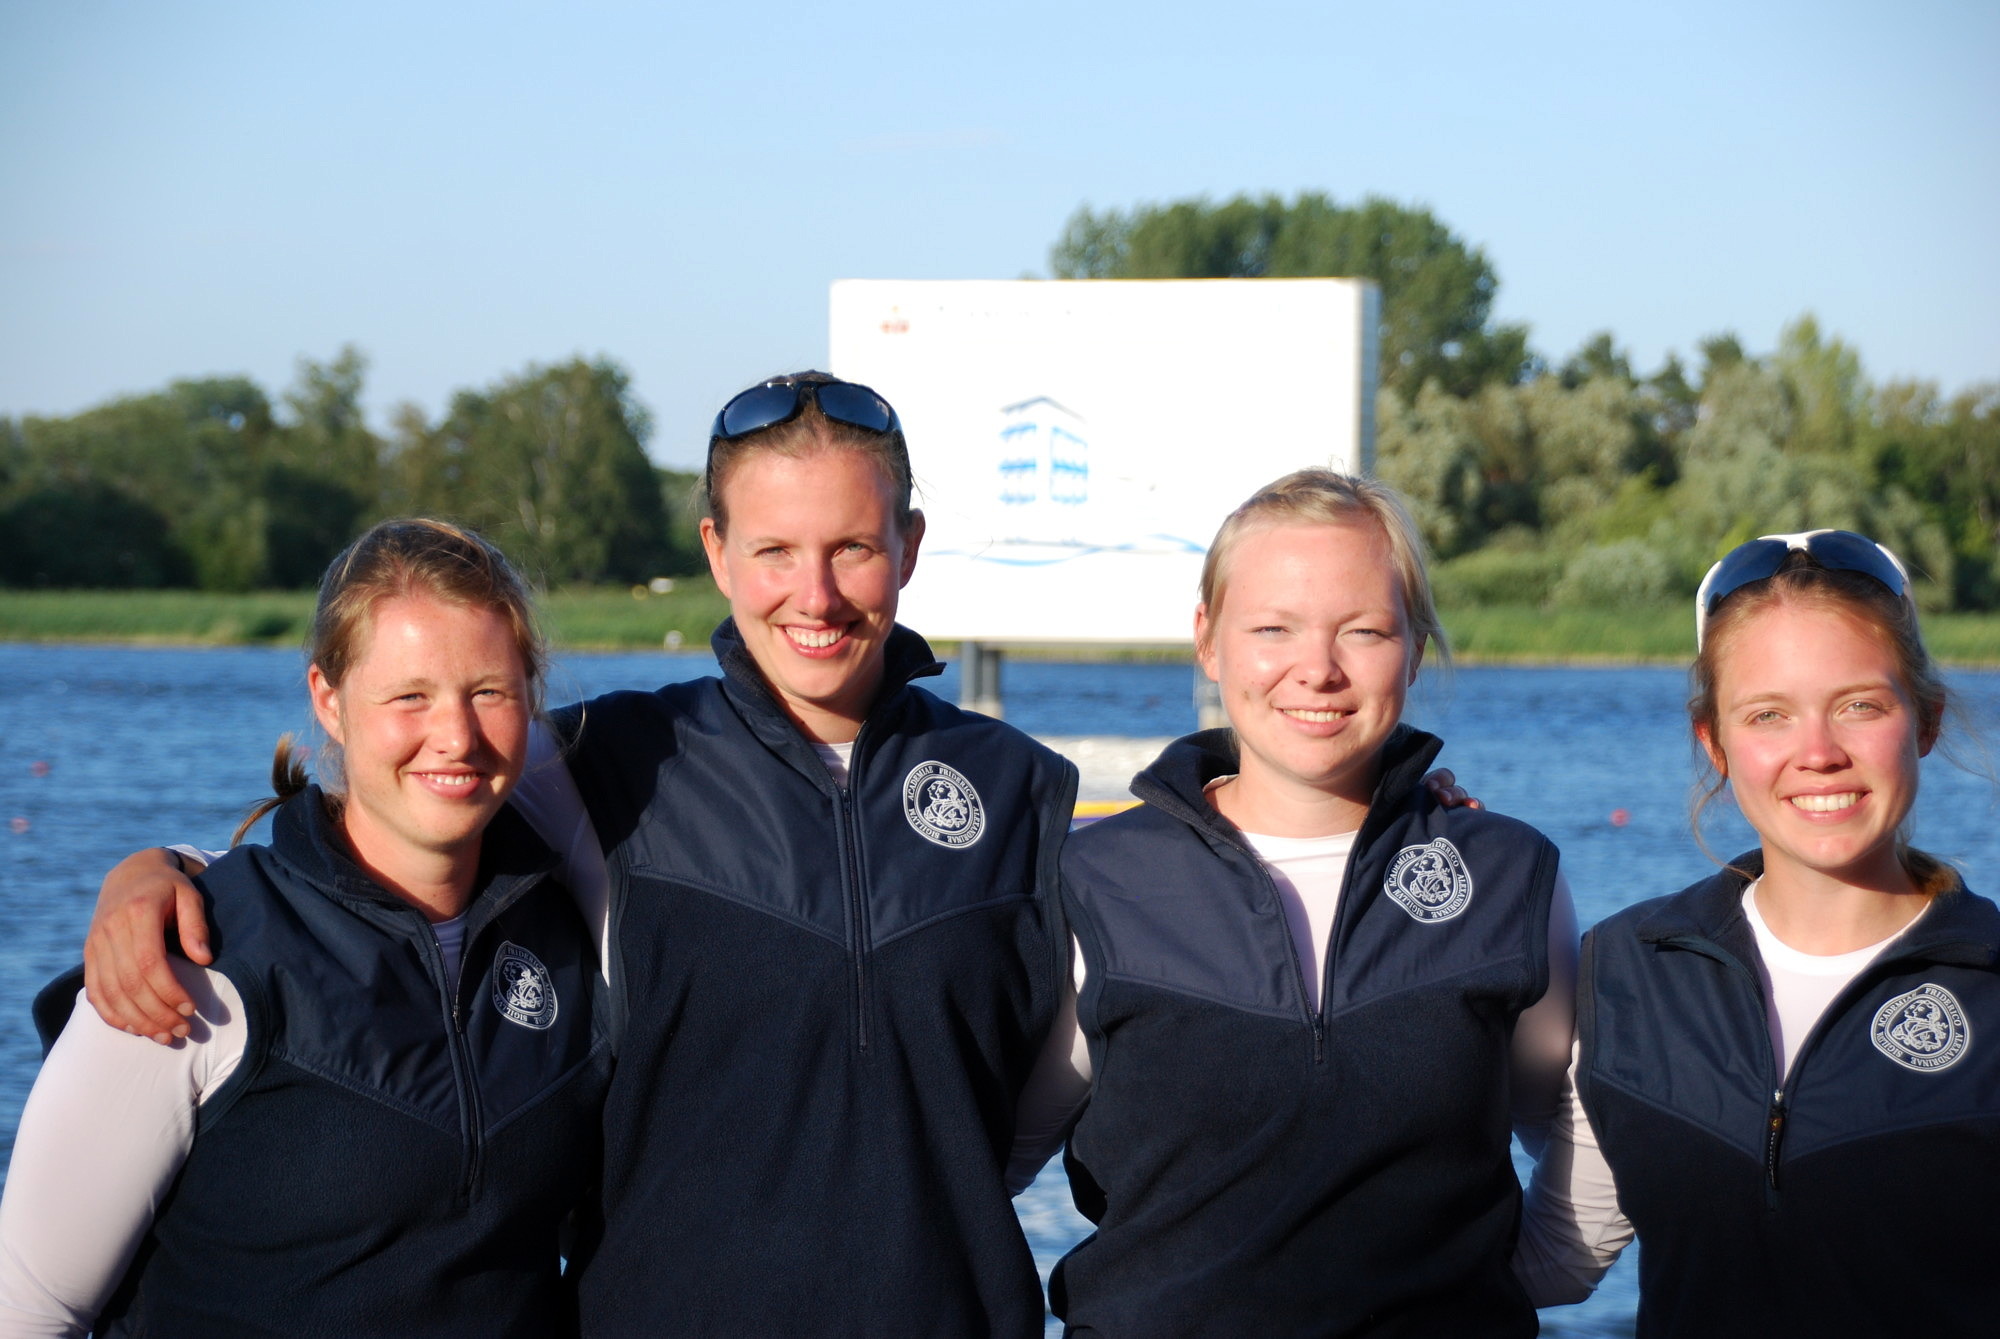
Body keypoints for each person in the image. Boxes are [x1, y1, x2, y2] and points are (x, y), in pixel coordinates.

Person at [76, 373, 1081, 1337]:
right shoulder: (606, 760)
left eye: (852, 546)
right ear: (716, 551)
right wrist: (166, 868)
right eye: (774, 549)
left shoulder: (1019, 788)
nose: (813, 595)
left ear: (908, 546)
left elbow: (1023, 1115)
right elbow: (388, 816)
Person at [0, 518, 610, 1337]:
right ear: (329, 698)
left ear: (531, 695)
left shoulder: (566, 935)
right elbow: (29, 1308)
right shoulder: (193, 961)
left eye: (489, 691)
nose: (456, 735)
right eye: (410, 695)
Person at [1022, 468, 1578, 1336]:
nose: (1317, 670)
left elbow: (1580, 1133)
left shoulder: (1508, 877)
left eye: (1363, 630)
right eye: (1273, 628)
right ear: (1208, 640)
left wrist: (1503, 1283)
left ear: (1415, 647)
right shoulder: (1094, 880)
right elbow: (990, 1154)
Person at [1516, 530, 2000, 1336]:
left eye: (1859, 705)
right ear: (1715, 743)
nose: (1818, 752)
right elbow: (1558, 1255)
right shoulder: (1629, 969)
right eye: (1769, 714)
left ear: (1925, 718)